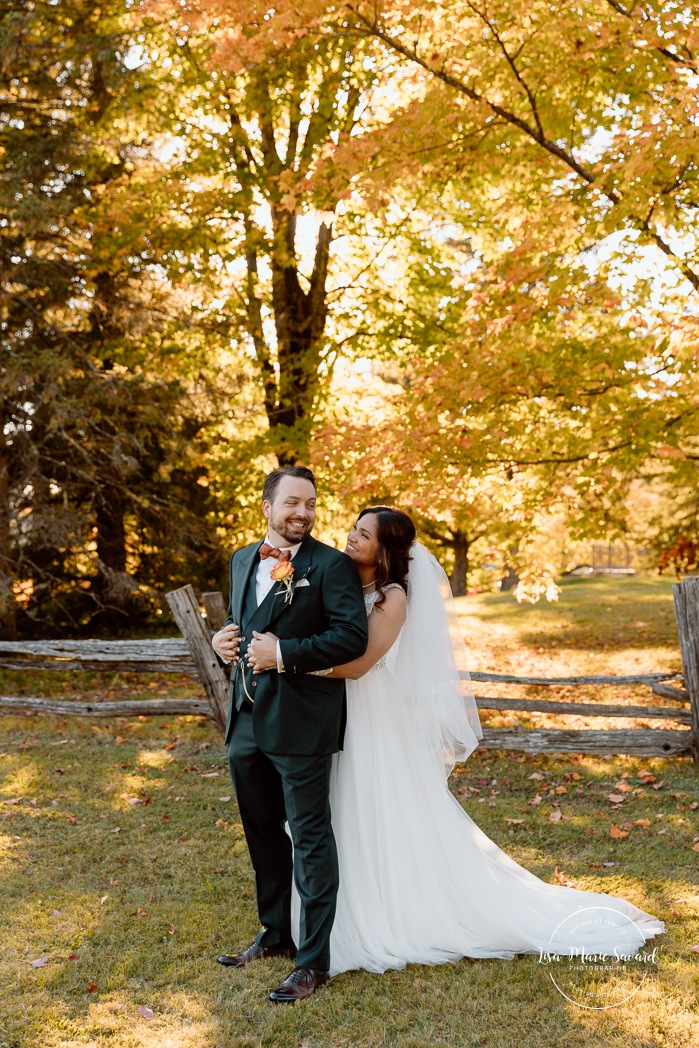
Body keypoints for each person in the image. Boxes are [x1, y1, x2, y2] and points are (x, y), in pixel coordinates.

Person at [285, 505, 664, 976]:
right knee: (331, 808)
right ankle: (330, 909)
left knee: (369, 803)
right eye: (353, 529)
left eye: (364, 534)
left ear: (386, 549)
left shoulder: (393, 597)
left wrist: (289, 662)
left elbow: (361, 664)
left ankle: (384, 912)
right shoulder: (339, 578)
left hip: (369, 710)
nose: (351, 538)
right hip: (332, 706)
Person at [211, 466, 368, 1002]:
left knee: (310, 837)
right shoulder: (239, 559)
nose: (302, 512)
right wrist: (223, 642)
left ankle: (313, 961)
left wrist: (285, 654)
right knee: (262, 833)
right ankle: (275, 935)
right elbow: (243, 622)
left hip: (302, 722)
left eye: (311, 504)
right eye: (292, 503)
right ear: (267, 507)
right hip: (246, 723)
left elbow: (350, 637)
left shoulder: (332, 565)